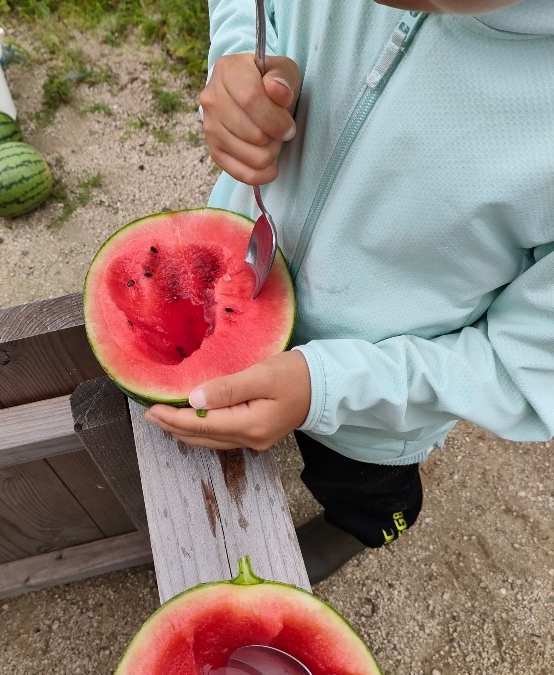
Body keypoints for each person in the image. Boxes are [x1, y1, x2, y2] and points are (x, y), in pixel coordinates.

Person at [145, 0, 554, 583]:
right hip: (239, 286)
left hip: (379, 409)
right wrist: (239, 56)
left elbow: (523, 367)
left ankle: (363, 525)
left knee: (366, 490)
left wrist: (329, 387)